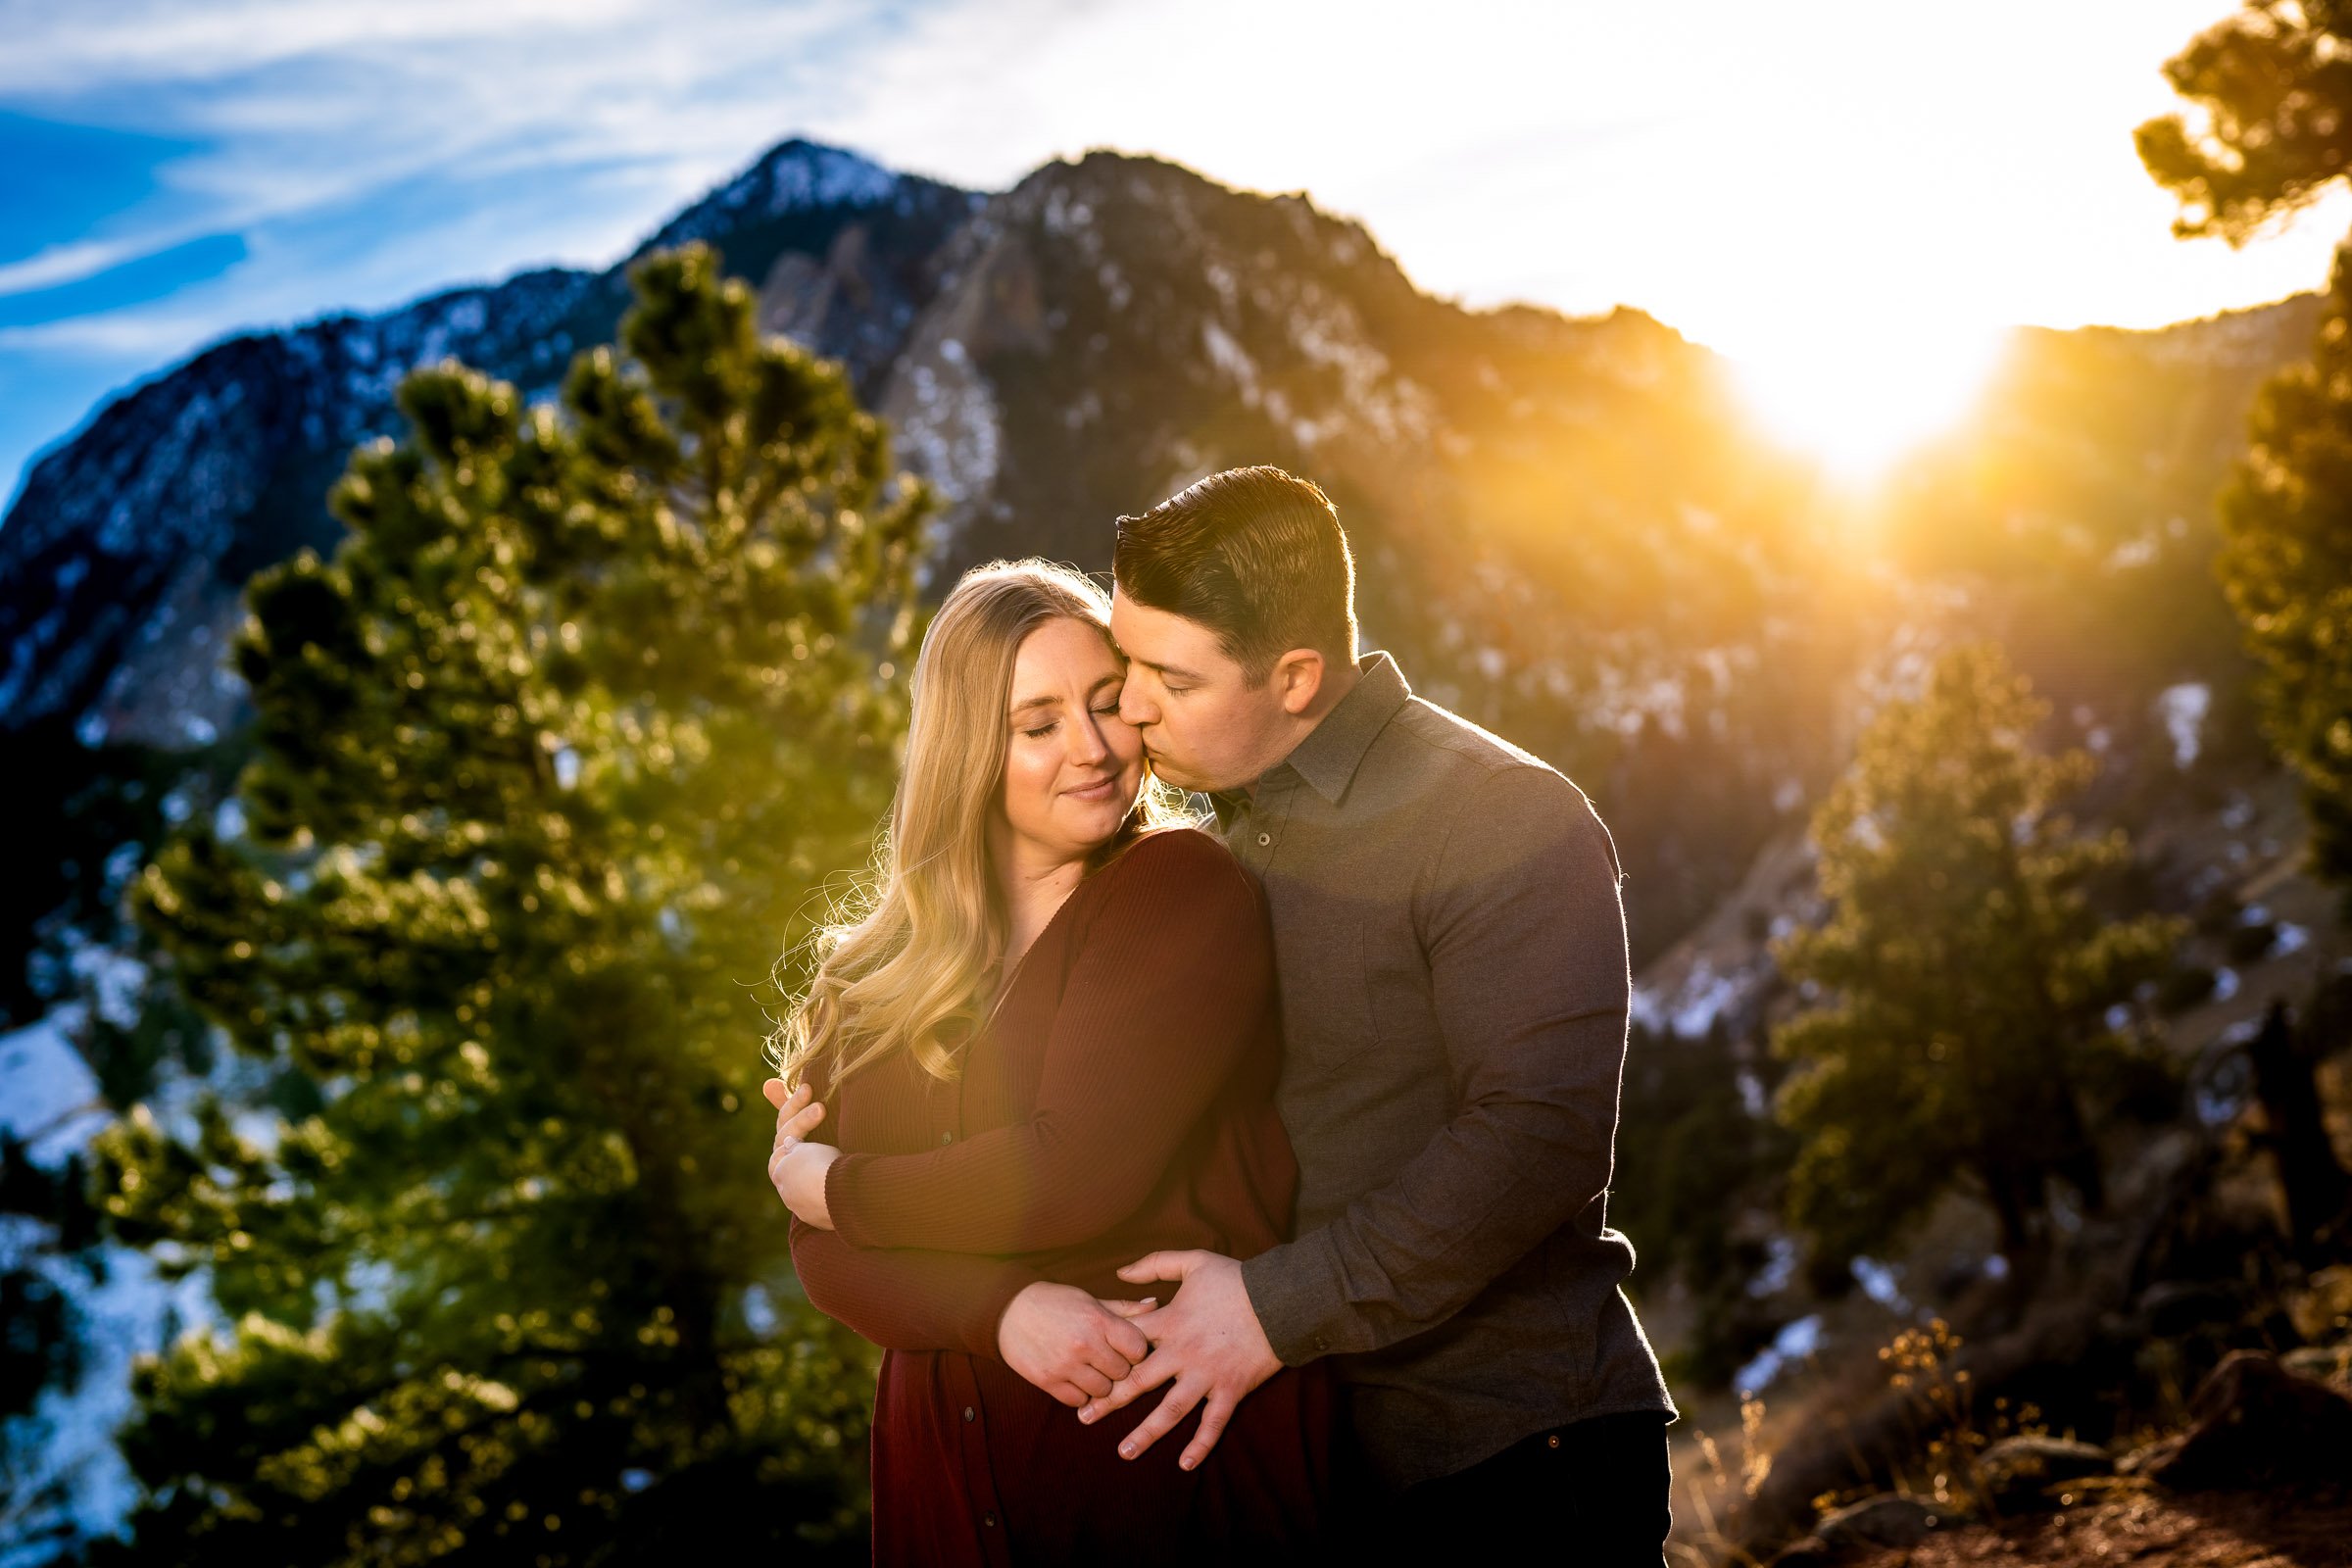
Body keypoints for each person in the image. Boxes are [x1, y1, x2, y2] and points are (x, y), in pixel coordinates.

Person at [1079, 466, 1678, 1559]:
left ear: (1297, 676)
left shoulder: (1500, 815)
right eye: (1125, 660)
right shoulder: (1214, 828)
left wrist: (1272, 1307)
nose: (1129, 702)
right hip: (1311, 1468)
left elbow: (1535, 1138)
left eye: (1170, 674)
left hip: (1511, 1460)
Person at [760, 559, 1329, 1566]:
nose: (1096, 747)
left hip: (1160, 1481)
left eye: (1109, 704)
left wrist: (836, 1185)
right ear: (969, 748)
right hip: (943, 1500)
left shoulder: (1178, 889)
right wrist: (1000, 1312)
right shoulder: (871, 976)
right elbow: (825, 1259)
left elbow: (1071, 1173)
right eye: (1041, 723)